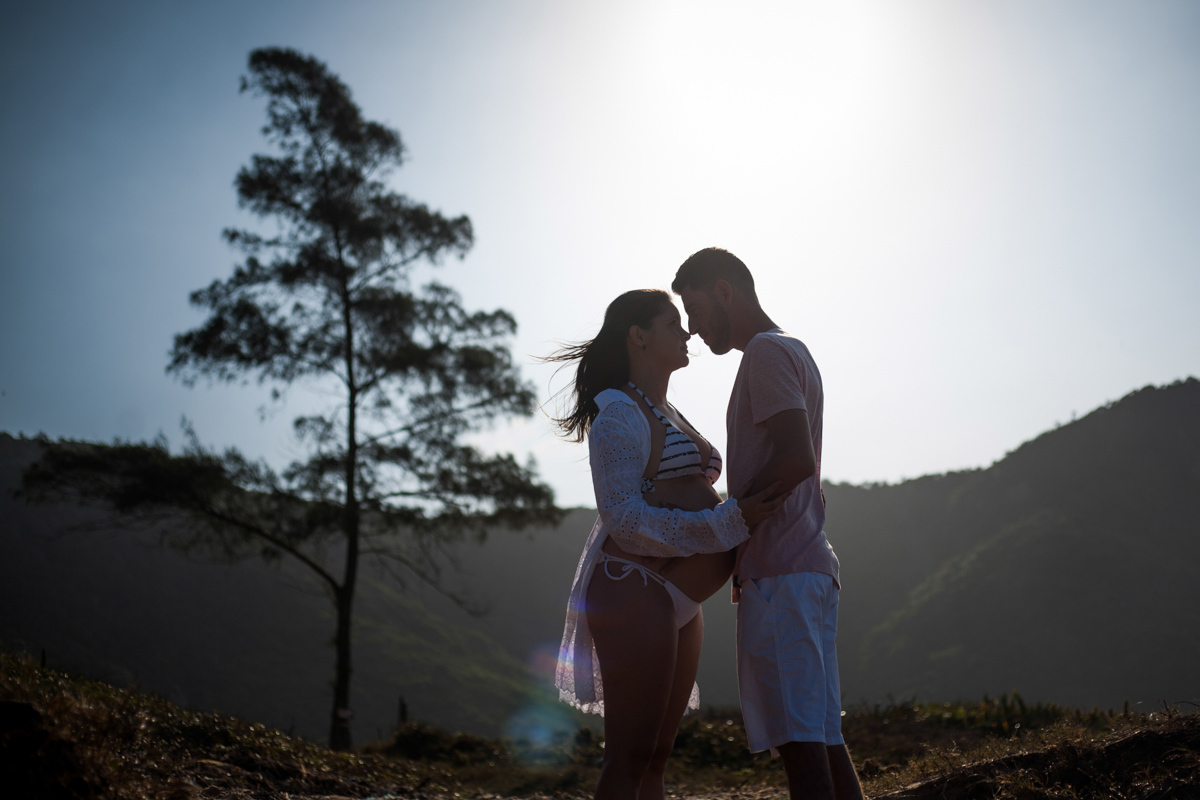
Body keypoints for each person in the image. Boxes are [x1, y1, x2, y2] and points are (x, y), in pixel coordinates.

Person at [550, 288, 790, 800]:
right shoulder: (617, 416)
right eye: (671, 323)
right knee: (629, 756)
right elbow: (624, 519)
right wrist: (727, 523)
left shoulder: (666, 410)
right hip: (635, 588)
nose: (685, 334)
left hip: (677, 597)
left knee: (656, 757)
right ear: (638, 337)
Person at [672, 248, 864, 800]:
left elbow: (797, 459)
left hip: (783, 577)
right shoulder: (788, 349)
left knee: (803, 754)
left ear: (726, 291)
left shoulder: (763, 353)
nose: (694, 328)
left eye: (697, 309)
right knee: (823, 742)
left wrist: (732, 519)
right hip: (803, 568)